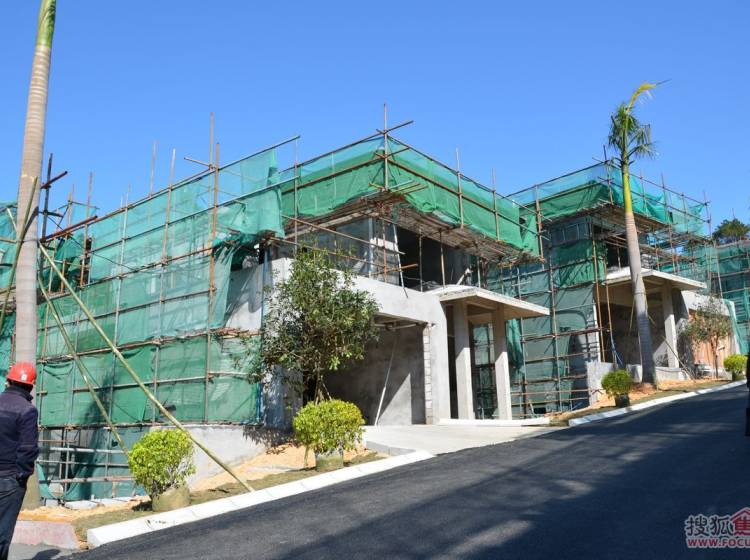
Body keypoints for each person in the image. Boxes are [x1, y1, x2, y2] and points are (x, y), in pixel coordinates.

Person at [0, 362, 39, 560]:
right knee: (2, 532)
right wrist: (22, 476)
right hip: (9, 479)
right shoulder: (27, 410)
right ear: (30, 386)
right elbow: (28, 448)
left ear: (8, 381)